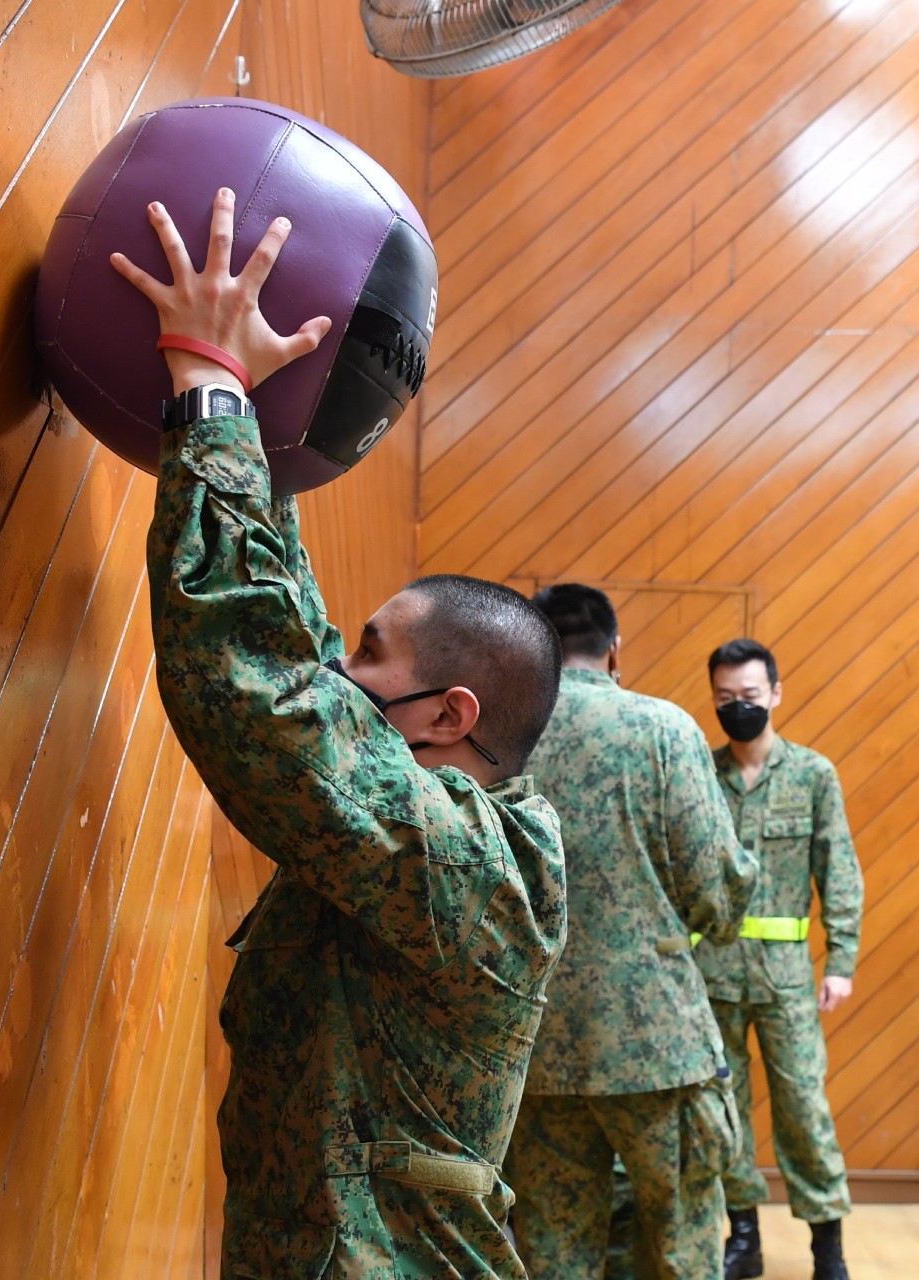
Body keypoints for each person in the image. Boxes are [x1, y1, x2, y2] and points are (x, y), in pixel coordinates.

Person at [113, 190, 568, 1275]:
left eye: (372, 652)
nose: (342, 670)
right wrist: (265, 440)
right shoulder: (434, 820)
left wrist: (209, 389)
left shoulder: (477, 865)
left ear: (451, 714)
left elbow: (268, 691)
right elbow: (304, 657)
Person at [506, 585, 757, 1279]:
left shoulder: (500, 732)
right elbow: (717, 893)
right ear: (615, 650)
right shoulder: (663, 729)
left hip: (534, 1041)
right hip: (657, 1044)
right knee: (681, 1239)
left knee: (553, 1250)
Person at [699, 639, 864, 1280]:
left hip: (786, 978)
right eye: (725, 698)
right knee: (725, 1110)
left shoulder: (812, 774)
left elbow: (838, 869)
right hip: (711, 973)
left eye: (748, 695)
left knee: (803, 1109)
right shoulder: (699, 772)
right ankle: (743, 1235)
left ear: (774, 693)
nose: (738, 707)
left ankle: (828, 1245)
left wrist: (841, 959)